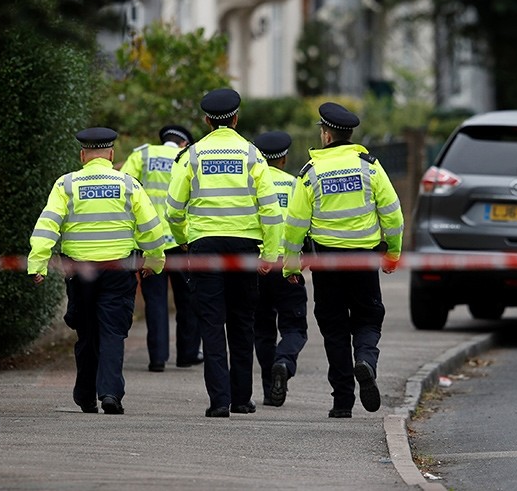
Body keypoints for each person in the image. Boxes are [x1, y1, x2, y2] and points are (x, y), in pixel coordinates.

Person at [28, 127, 166, 415]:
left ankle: (85, 395)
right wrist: (154, 261)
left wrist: (37, 263)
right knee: (113, 331)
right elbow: (152, 227)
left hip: (79, 272)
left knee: (87, 332)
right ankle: (110, 394)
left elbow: (48, 225)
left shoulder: (66, 185)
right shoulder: (129, 184)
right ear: (112, 154)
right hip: (118, 270)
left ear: (82, 155)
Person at [165, 88, 282, 418]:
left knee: (212, 324)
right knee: (243, 323)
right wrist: (270, 255)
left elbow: (173, 209)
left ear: (205, 121)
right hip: (245, 249)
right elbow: (270, 211)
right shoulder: (252, 155)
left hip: (204, 247)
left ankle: (219, 402)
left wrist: (184, 241)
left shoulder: (192, 156)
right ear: (236, 118)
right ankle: (242, 399)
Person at [282, 103, 404, 419]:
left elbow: (295, 224)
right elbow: (392, 214)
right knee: (368, 318)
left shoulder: (310, 173)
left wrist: (291, 264)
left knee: (334, 329)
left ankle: (342, 403)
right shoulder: (370, 167)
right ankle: (365, 360)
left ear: (325, 134)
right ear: (348, 134)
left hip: (327, 265)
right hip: (364, 261)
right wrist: (393, 252)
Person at [121, 125, 203, 372]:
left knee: (155, 300)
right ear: (183, 144)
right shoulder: (189, 158)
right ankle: (187, 353)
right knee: (188, 298)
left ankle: (157, 359)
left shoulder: (142, 155)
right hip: (182, 242)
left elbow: (123, 187)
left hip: (149, 242)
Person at [251, 131, 308, 407]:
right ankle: (284, 362)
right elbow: (306, 224)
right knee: (295, 327)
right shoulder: (296, 185)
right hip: (289, 269)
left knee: (262, 330)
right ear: (284, 159)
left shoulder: (251, 185)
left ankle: (267, 389)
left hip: (258, 268)